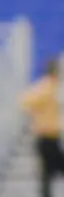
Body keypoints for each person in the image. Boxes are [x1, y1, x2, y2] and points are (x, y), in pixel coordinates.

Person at [22, 57, 64, 197]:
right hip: (47, 136)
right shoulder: (48, 87)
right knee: (52, 169)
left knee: (47, 173)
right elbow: (26, 101)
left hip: (49, 136)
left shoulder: (50, 87)